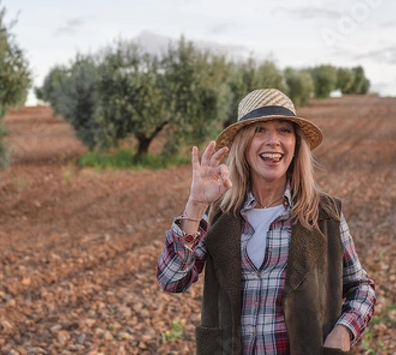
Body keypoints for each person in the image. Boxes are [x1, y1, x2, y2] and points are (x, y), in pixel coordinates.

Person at [157, 88, 375, 355]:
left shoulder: (324, 214)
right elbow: (171, 279)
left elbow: (361, 288)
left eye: (284, 130)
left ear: (296, 146)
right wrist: (195, 203)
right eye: (260, 130)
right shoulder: (219, 214)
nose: (273, 141)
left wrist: (343, 332)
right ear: (244, 144)